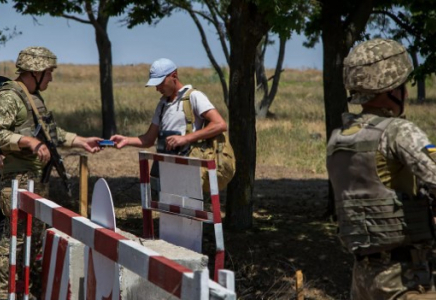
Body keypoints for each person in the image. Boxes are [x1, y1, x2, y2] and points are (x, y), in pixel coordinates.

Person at [327, 38, 436, 299]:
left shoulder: (339, 139)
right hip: (404, 277)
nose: (406, 93)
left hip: (362, 277)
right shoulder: (398, 131)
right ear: (391, 90)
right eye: (402, 86)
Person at [0, 46, 102, 299]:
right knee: (12, 243)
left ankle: (27, 291)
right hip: (15, 182)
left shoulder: (32, 97)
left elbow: (49, 134)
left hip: (34, 181)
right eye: (49, 72)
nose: (51, 78)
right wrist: (28, 143)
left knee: (32, 242)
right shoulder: (10, 96)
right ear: (35, 72)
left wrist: (81, 140)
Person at [110, 58, 227, 188]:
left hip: (189, 168)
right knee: (167, 207)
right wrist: (126, 140)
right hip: (165, 169)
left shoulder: (194, 96)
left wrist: (185, 139)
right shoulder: (162, 105)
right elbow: (148, 140)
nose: (157, 88)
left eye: (160, 83)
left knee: (188, 207)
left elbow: (219, 124)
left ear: (174, 76)